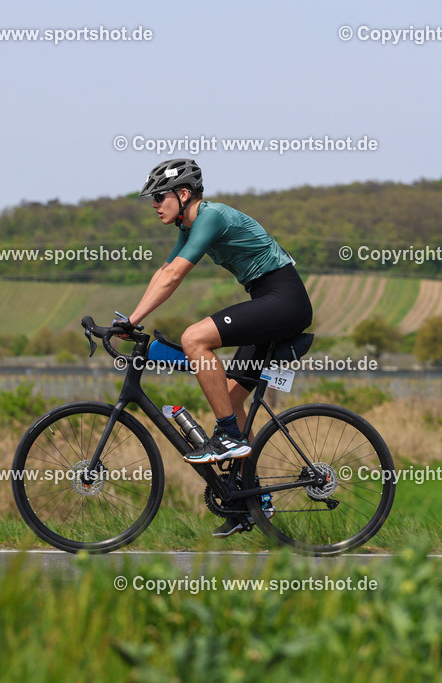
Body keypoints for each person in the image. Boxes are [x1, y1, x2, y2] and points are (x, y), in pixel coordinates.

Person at [119, 159, 313, 536]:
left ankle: (227, 436)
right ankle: (255, 502)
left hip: (283, 298)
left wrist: (132, 320)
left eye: (160, 196)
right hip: (270, 298)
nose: (154, 204)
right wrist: (130, 318)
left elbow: (175, 275)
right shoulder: (189, 225)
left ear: (184, 193)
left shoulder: (211, 217)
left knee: (194, 339)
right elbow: (164, 272)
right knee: (229, 396)